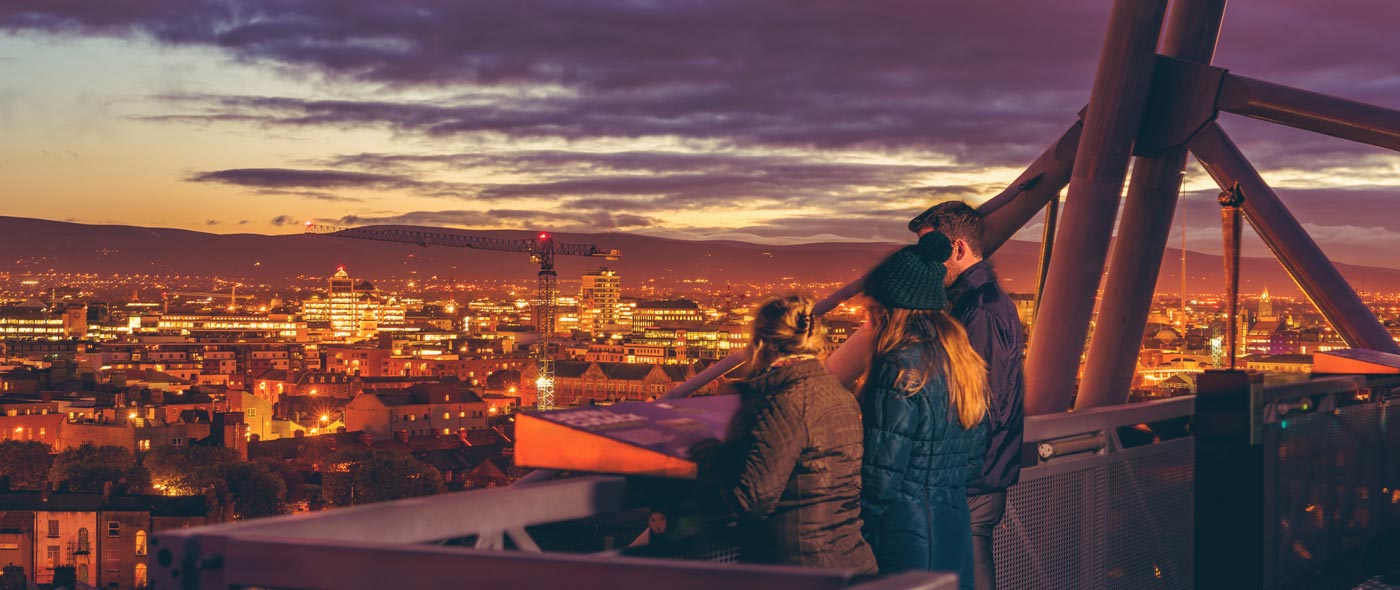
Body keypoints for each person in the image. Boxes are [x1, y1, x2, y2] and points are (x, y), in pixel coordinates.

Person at [707, 295, 878, 575]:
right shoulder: (840, 396)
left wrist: (713, 460)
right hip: (849, 558)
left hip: (799, 567)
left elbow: (753, 499)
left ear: (764, 343)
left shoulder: (786, 401)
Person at [859, 231, 988, 590]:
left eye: (872, 311)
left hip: (906, 535)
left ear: (891, 310)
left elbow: (881, 475)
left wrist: (855, 529)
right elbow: (974, 459)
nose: (867, 322)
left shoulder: (899, 365)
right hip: (953, 525)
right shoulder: (962, 360)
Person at [909, 201, 1025, 590]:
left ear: (957, 249)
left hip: (968, 479)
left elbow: (979, 402)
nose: (926, 263)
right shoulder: (981, 304)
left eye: (931, 250)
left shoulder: (979, 310)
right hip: (975, 474)